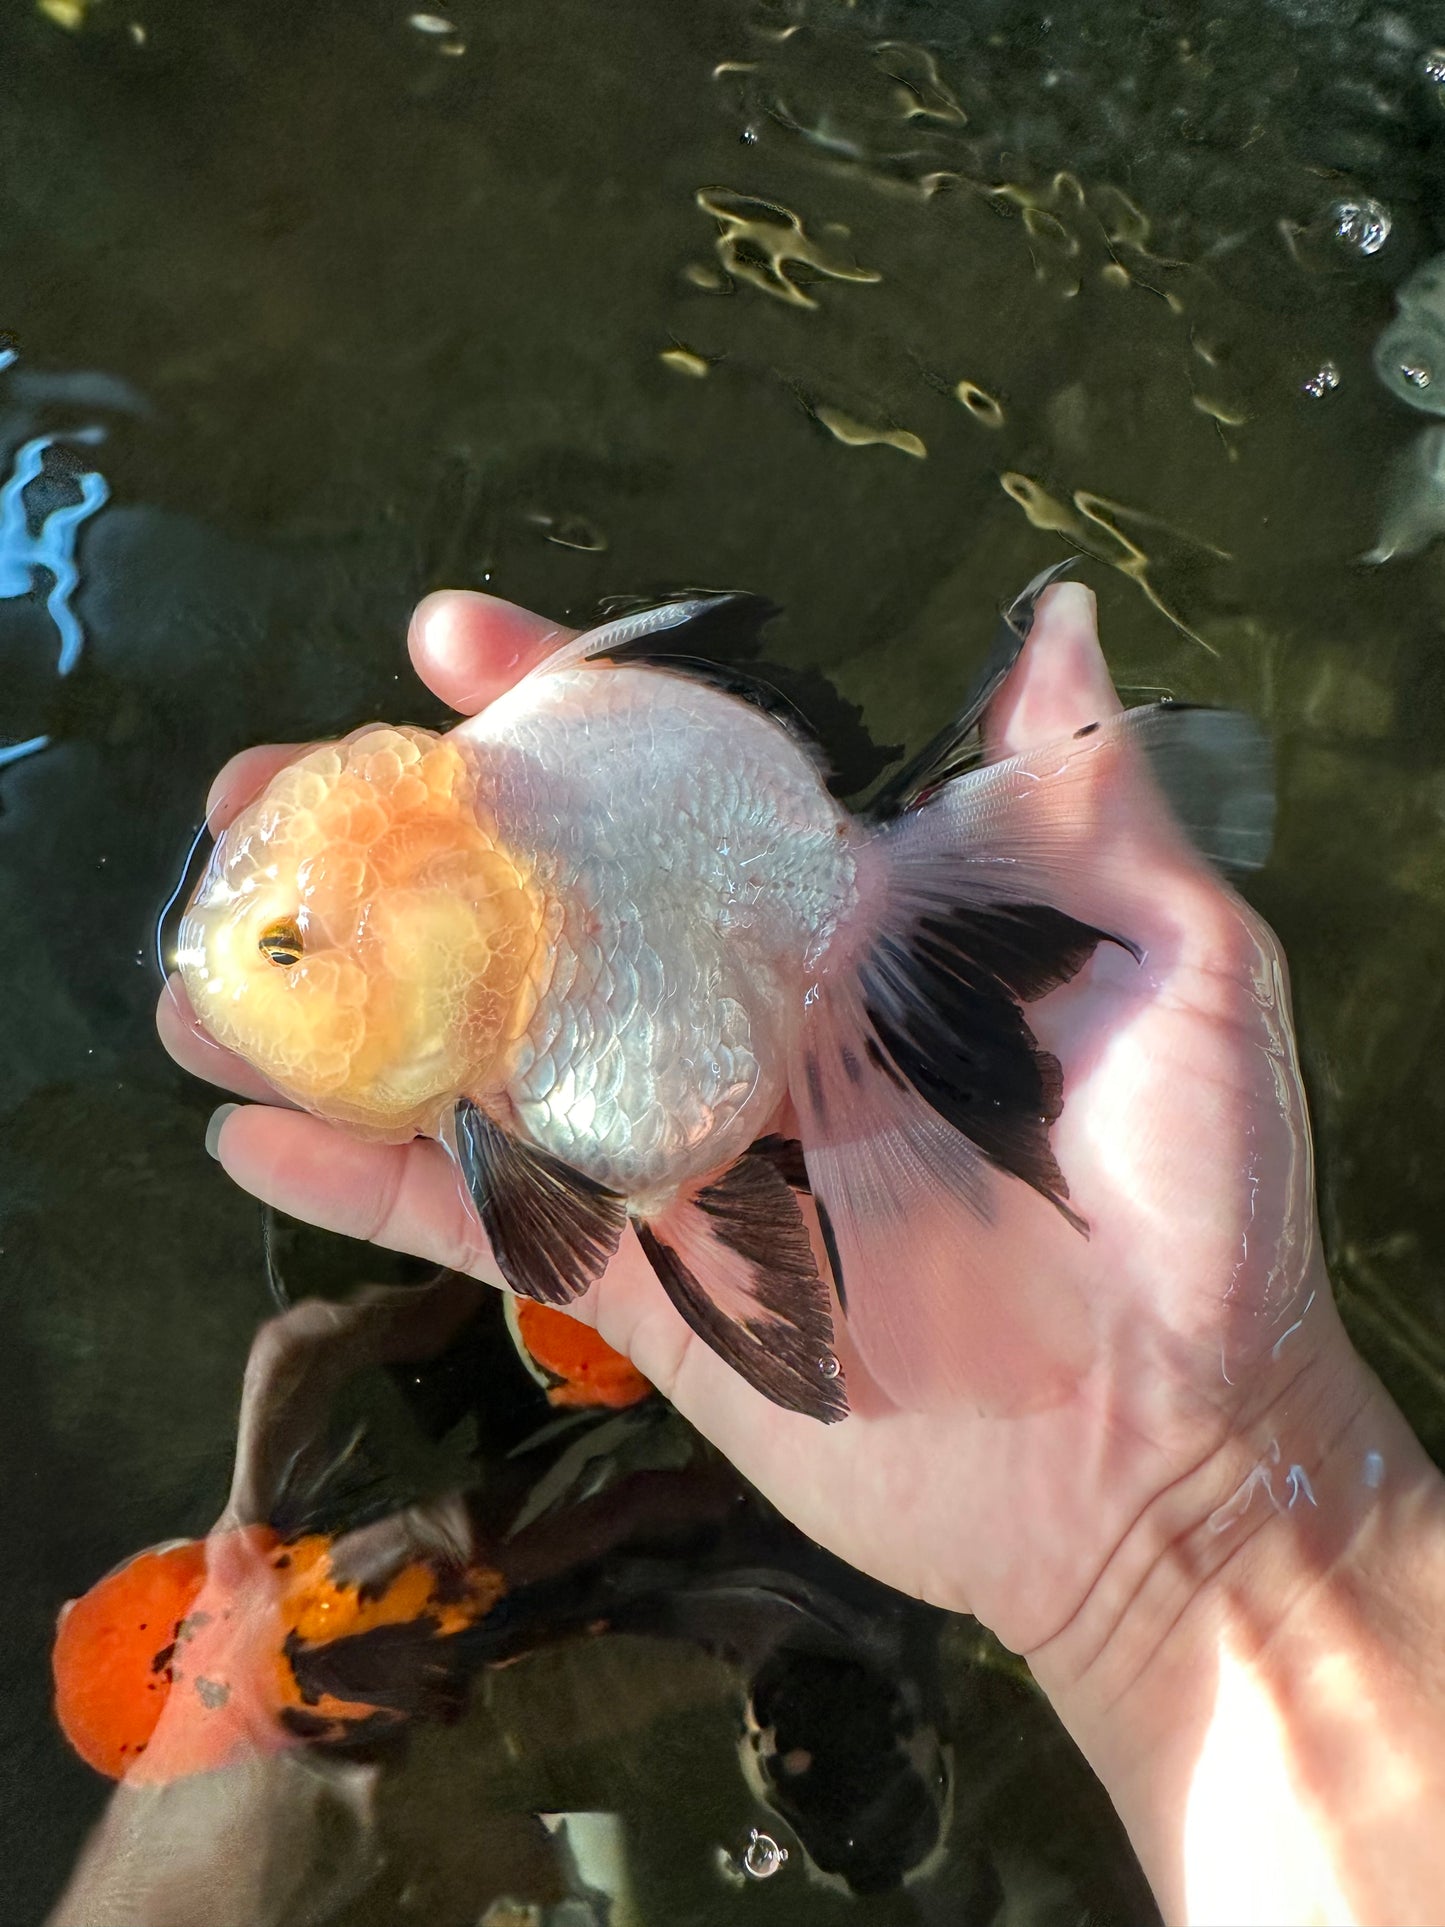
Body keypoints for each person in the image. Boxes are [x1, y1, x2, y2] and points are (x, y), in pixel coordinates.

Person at [159, 581, 1445, 1926]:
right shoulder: (497, 997)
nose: (244, 981)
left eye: (286, 949)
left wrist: (1195, 1487)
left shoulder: (543, 829)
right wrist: (1208, 1498)